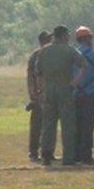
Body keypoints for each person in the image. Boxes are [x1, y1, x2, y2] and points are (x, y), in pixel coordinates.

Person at [37, 26, 87, 166]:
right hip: (65, 89)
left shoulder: (44, 51)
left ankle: (46, 155)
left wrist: (41, 89)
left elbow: (38, 73)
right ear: (65, 35)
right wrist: (74, 83)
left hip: (48, 90)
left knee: (48, 124)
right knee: (68, 124)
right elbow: (84, 65)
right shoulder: (69, 50)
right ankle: (68, 158)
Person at [73, 26, 94, 164]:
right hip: (91, 94)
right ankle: (87, 156)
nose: (91, 39)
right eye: (89, 37)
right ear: (86, 39)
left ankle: (76, 154)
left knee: (77, 125)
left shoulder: (73, 54)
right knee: (88, 126)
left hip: (76, 94)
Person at [26, 31, 52, 162]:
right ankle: (33, 151)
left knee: (48, 124)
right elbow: (31, 77)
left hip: (50, 94)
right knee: (37, 125)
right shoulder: (36, 55)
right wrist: (33, 95)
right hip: (39, 95)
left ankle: (47, 151)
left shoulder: (51, 53)